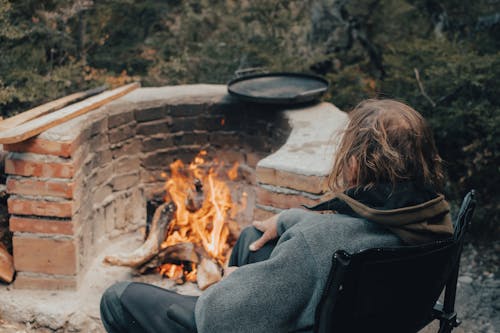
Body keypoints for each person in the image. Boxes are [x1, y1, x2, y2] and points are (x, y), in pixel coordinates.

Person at [100, 99, 454, 333]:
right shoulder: (436, 220)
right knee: (251, 242)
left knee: (117, 298)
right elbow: (350, 230)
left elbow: (223, 317)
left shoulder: (318, 246)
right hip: (367, 317)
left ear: (356, 162)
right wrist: (285, 221)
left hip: (266, 320)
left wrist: (229, 283)